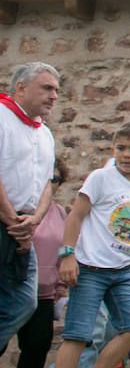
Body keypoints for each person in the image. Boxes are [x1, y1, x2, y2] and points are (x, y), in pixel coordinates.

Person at [45, 122, 130, 368]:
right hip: (90, 268)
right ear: (112, 151)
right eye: (120, 148)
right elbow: (76, 215)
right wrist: (67, 254)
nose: (126, 154)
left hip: (121, 273)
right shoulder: (101, 178)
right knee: (78, 335)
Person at [0, 62, 59, 350]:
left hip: (23, 226)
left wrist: (33, 221)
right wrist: (13, 221)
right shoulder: (1, 118)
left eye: (56, 90)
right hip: (6, 222)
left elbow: (48, 183)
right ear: (21, 87)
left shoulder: (44, 133)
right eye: (47, 88)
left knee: (24, 302)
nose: (54, 96)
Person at [10, 159, 67, 368]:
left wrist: (59, 287)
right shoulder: (18, 207)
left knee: (37, 345)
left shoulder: (60, 213)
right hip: (14, 288)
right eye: (46, 178)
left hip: (43, 293)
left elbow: (62, 251)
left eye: (55, 179)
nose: (50, 184)